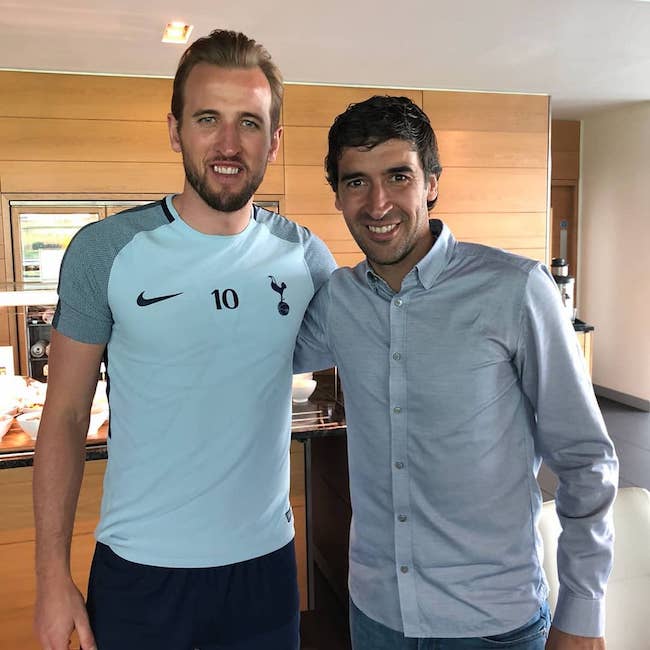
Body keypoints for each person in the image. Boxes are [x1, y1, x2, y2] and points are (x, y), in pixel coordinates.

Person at [33, 29, 336, 650]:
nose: (228, 145)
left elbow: (371, 348)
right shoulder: (106, 251)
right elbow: (63, 416)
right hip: (140, 574)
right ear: (175, 130)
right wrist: (50, 577)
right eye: (208, 119)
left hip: (264, 572)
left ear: (274, 142)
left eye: (249, 123)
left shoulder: (304, 257)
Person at [295, 95, 618, 649]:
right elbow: (257, 355)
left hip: (494, 625)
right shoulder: (339, 301)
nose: (378, 203)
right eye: (356, 182)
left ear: (432, 183)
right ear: (338, 196)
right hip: (376, 618)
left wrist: (582, 612)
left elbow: (586, 459)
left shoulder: (514, 289)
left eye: (399, 176)